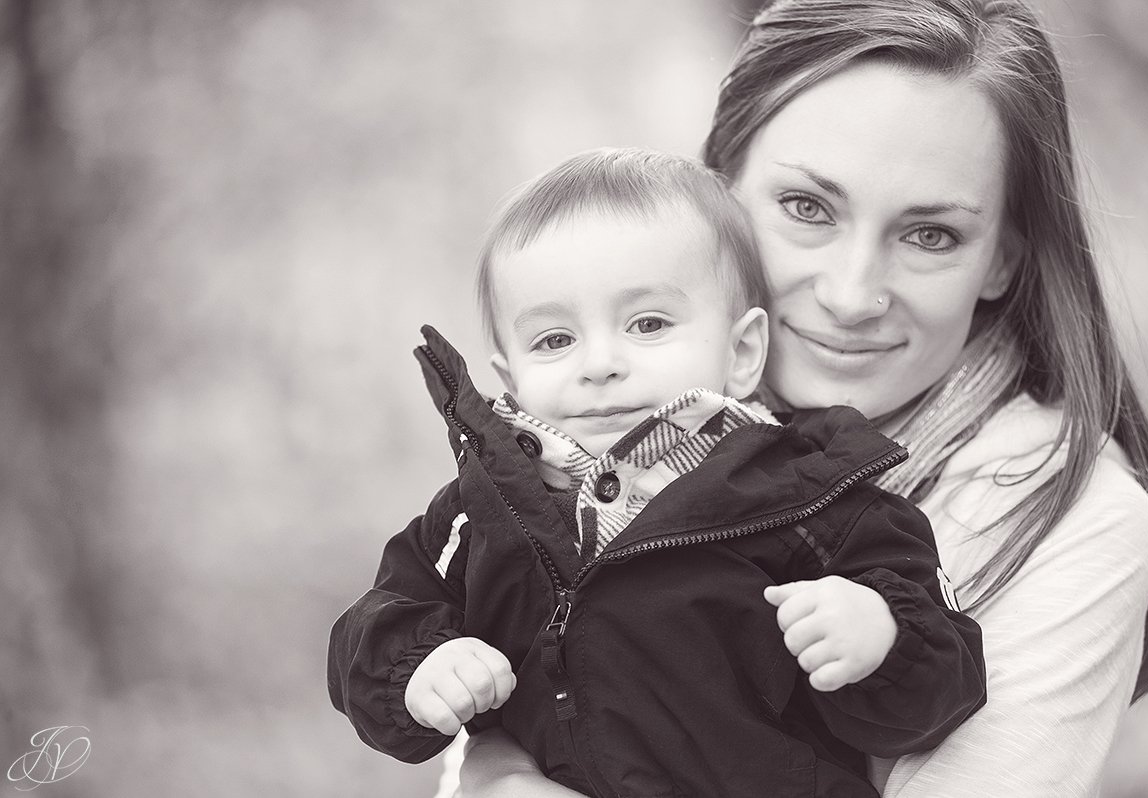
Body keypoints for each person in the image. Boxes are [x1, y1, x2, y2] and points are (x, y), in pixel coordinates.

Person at [451, 1, 1148, 797]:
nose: (851, 295)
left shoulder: (1071, 520)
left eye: (931, 235)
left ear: (1002, 262)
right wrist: (493, 767)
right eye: (807, 208)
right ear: (720, 196)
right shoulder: (612, 435)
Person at [327, 147, 988, 797]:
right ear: (512, 379)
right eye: (555, 339)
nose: (600, 362)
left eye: (648, 323)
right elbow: (380, 622)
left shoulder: (811, 498)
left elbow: (943, 684)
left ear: (742, 351)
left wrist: (881, 635)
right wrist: (419, 671)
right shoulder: (484, 512)